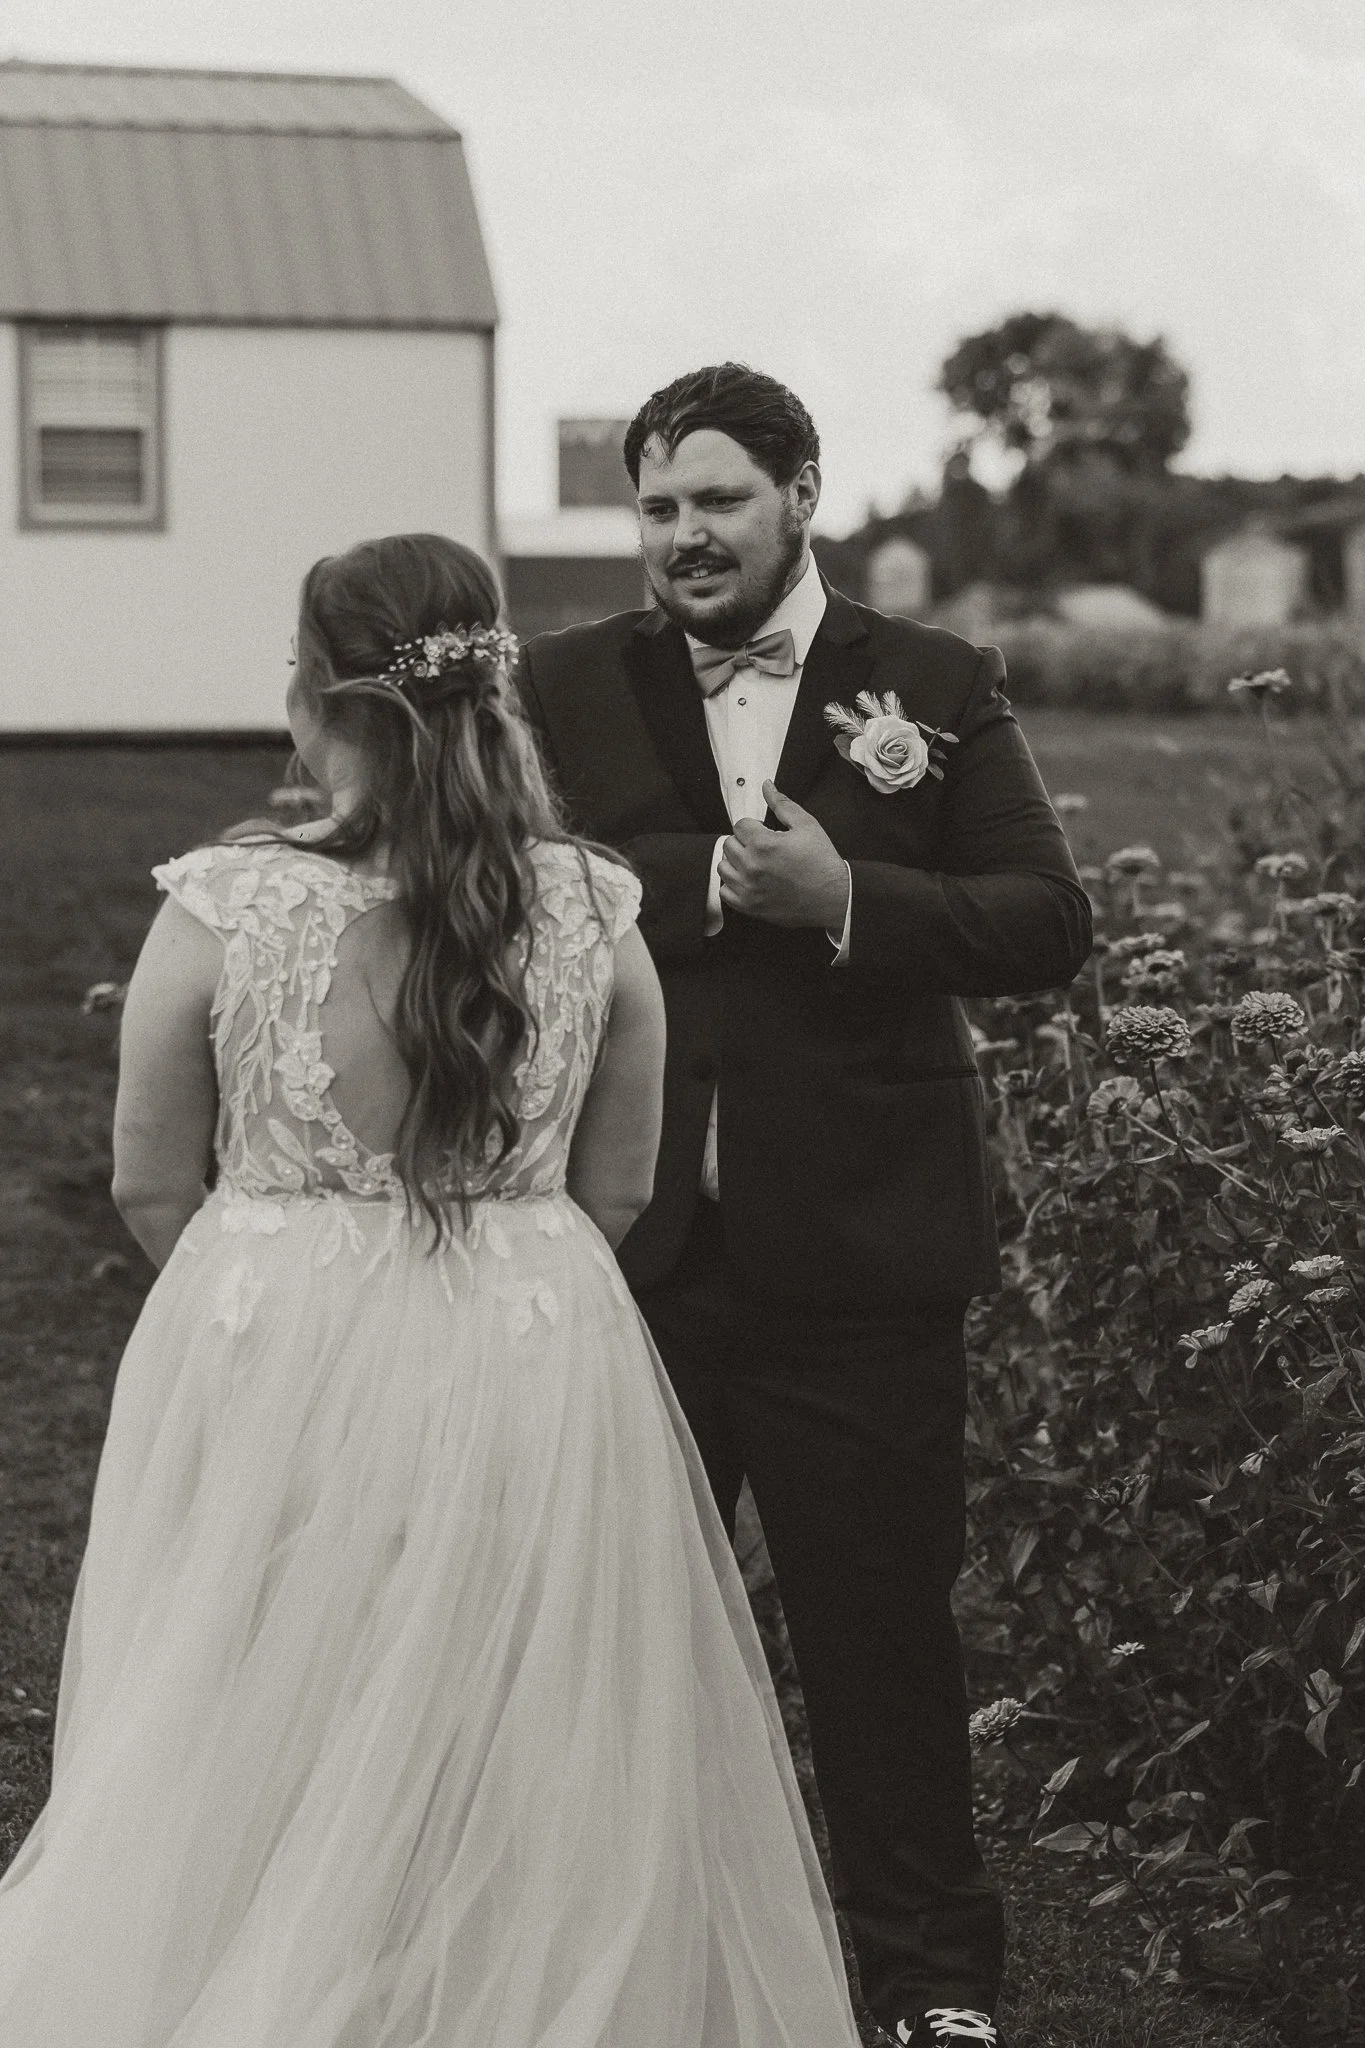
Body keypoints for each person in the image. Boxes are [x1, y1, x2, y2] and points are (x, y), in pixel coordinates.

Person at [0, 532, 865, 2048]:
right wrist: (498, 1281)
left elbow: (148, 1177)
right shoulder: (596, 908)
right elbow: (621, 1183)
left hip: (275, 1346)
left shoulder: (224, 906)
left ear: (312, 697)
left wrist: (265, 1297)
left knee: (257, 1680)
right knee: (506, 1698)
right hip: (529, 1343)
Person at [514, 365, 1095, 2048]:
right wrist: (708, 879)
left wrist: (855, 899)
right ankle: (619, 1968)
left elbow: (1042, 919)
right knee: (610, 1639)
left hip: (862, 1260)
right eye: (659, 508)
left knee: (883, 1646)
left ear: (803, 495)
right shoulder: (566, 682)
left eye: (718, 501)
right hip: (638, 1256)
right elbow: (534, 886)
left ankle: (929, 1989)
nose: (684, 537)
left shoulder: (931, 683)